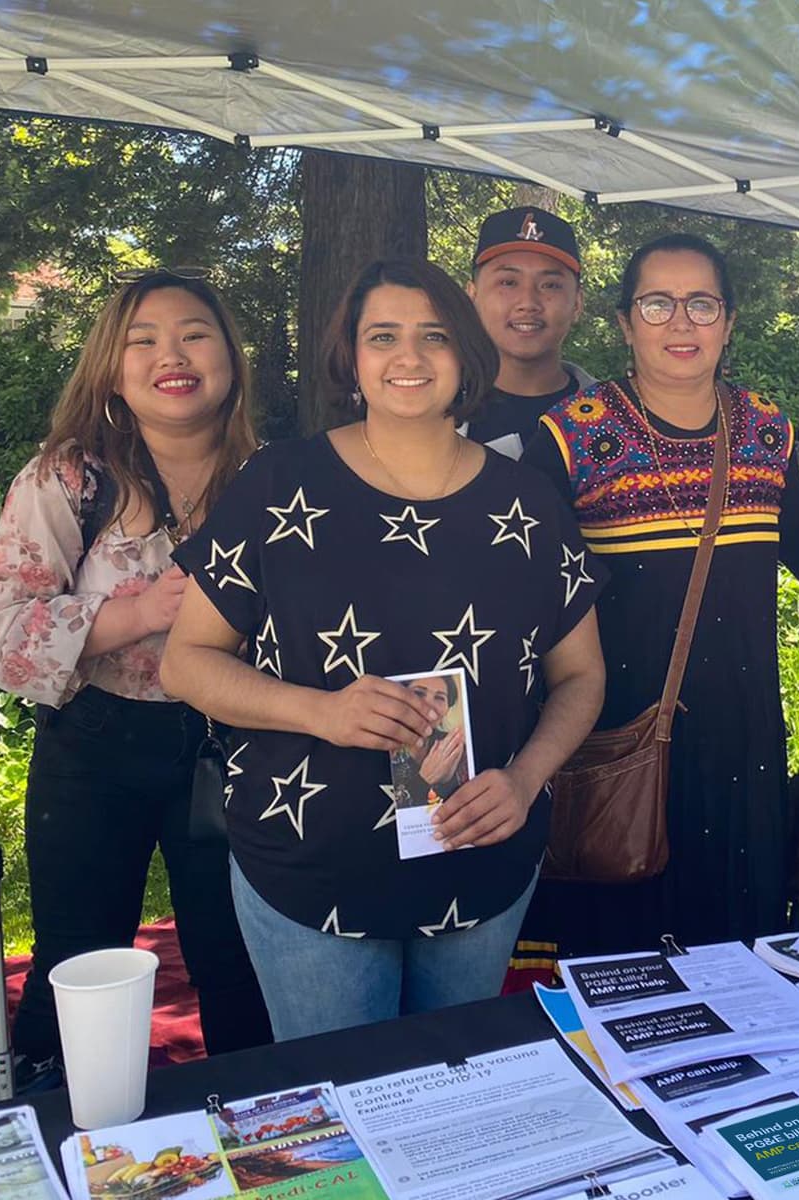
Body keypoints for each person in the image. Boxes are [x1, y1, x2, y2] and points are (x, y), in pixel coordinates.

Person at [159, 257, 606, 1039]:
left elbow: (581, 676)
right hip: (311, 867)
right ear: (352, 357)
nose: (409, 358)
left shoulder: (528, 502)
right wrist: (320, 712)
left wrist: (527, 778)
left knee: (453, 1101)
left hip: (481, 859)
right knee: (346, 1112)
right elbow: (186, 660)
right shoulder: (277, 483)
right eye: (383, 336)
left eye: (433, 336)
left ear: (467, 354)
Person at [0, 269, 271, 1085]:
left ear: (231, 359)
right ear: (111, 366)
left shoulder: (275, 480)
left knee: (239, 954)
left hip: (234, 747)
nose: (171, 355)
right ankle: (56, 1126)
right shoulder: (68, 479)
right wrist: (134, 616)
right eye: (143, 339)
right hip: (97, 747)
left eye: (195, 334)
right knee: (77, 956)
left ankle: (263, 1124)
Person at [521, 232, 799, 953]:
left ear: (730, 321)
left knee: (742, 961)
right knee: (625, 970)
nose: (681, 323)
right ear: (623, 323)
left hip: (745, 749)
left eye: (701, 304)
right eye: (657, 304)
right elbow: (526, 601)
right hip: (619, 748)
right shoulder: (568, 439)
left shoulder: (767, 434)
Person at [463, 206, 595, 458]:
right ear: (473, 295)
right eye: (508, 282)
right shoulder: (434, 410)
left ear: (577, 303)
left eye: (550, 285)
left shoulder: (617, 416)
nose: (528, 302)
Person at [389, 674, 469, 809]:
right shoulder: (386, 744)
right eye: (419, 693)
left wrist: (446, 782)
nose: (429, 707)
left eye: (439, 698)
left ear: (447, 708)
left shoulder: (455, 746)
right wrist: (424, 779)